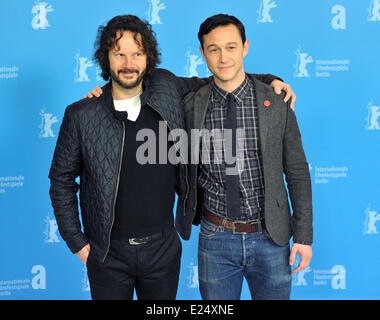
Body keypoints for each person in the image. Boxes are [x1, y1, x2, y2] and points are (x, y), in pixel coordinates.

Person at [51, 14, 295, 300]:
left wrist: (270, 80)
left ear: (148, 57)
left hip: (163, 250)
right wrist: (77, 242)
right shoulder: (81, 114)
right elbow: (61, 181)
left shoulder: (166, 87)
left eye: (137, 54)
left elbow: (222, 77)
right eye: (119, 54)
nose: (128, 64)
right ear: (106, 58)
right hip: (107, 254)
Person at [182, 14, 313, 300]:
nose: (223, 56)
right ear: (202, 53)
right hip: (215, 237)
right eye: (213, 49)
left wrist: (303, 236)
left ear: (245, 47)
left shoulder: (276, 101)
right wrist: (100, 93)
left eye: (231, 47)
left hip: (271, 236)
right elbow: (141, 84)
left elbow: (298, 172)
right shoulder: (191, 104)